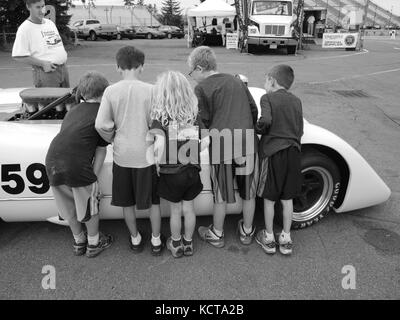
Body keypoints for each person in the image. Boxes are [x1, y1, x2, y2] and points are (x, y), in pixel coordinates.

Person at [95, 46, 164, 256]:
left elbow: (101, 124)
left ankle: (135, 238)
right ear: (142, 66)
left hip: (122, 154)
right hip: (147, 155)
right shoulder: (152, 90)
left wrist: (113, 137)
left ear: (117, 67)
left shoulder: (110, 91)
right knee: (153, 202)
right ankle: (156, 239)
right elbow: (159, 125)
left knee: (126, 202)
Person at [188, 46, 259, 248]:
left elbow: (202, 120)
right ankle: (246, 231)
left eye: (192, 72)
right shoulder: (237, 80)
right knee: (249, 192)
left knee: (220, 193)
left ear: (200, 68)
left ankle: (217, 233)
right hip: (247, 141)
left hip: (221, 144)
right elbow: (253, 110)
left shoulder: (201, 89)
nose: (192, 77)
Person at [45, 71, 112, 258]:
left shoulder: (73, 110)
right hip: (76, 166)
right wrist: (94, 177)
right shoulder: (101, 113)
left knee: (68, 208)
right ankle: (94, 242)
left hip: (52, 162)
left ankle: (79, 241)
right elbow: (101, 150)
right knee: (89, 207)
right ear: (104, 92)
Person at [149, 71, 210, 258]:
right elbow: (207, 141)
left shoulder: (159, 119)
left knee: (175, 211)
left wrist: (157, 163)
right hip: (191, 170)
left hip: (171, 172)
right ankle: (188, 243)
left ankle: (176, 244)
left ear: (162, 94)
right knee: (189, 208)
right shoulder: (193, 116)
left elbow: (158, 147)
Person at [255, 65, 303, 256]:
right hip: (293, 152)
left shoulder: (267, 98)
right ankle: (285, 237)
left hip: (273, 152)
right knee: (287, 198)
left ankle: (268, 236)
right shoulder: (296, 100)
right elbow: (299, 129)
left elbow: (265, 121)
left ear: (272, 81)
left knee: (269, 197)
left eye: (266, 80)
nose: (265, 84)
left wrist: (257, 128)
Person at [12, 0, 69, 89]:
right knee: (50, 102)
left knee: (67, 101)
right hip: (46, 73)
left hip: (63, 70)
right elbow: (18, 55)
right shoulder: (25, 29)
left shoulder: (49, 23)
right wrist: (42, 64)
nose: (42, 10)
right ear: (28, 7)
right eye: (38, 7)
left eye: (43, 6)